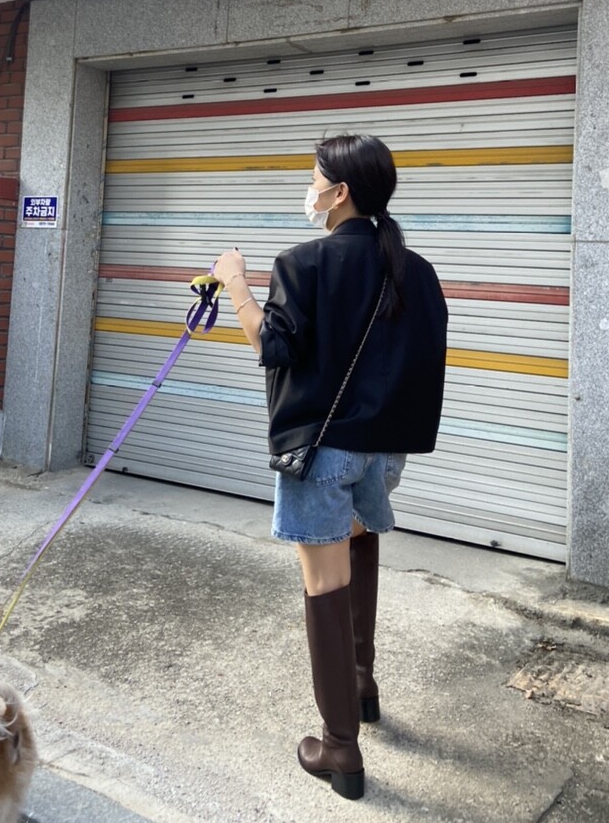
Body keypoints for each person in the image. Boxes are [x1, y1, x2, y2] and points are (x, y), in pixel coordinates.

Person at [214, 133, 447, 801]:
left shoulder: (303, 263)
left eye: (314, 179)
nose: (309, 190)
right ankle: (362, 685)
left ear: (340, 192)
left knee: (323, 583)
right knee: (357, 542)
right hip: (385, 451)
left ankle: (339, 747)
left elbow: (272, 346)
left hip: (321, 453)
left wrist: (235, 282)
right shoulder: (416, 269)